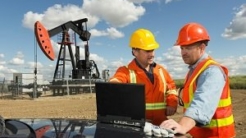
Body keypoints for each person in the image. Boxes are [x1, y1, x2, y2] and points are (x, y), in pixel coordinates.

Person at [160, 22, 236, 138]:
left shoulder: (212, 71)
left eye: (188, 48)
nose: (183, 52)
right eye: (182, 48)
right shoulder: (193, 71)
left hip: (217, 135)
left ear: (201, 48)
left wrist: (183, 126)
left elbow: (203, 102)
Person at [109, 28, 178, 125]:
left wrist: (172, 103)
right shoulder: (125, 71)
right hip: (138, 127)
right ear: (135, 52)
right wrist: (114, 85)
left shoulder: (161, 70)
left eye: (152, 50)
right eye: (147, 51)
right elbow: (116, 80)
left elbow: (171, 88)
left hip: (161, 125)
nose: (152, 54)